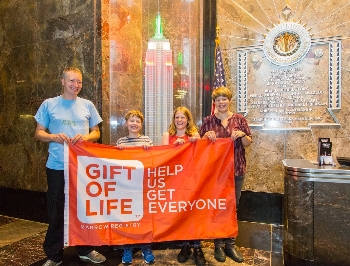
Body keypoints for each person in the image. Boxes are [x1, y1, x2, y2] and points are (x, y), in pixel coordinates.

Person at [34, 67, 106, 266]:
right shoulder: (49, 104)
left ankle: (85, 249)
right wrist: (52, 137)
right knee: (56, 209)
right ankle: (54, 254)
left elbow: (96, 133)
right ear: (63, 82)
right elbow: (38, 133)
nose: (76, 85)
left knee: (84, 209)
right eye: (72, 81)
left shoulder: (87, 105)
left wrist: (85, 137)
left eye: (79, 82)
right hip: (57, 166)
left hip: (82, 167)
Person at [200, 86, 252, 264]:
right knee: (217, 207)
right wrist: (206, 136)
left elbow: (248, 143)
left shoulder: (239, 119)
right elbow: (199, 146)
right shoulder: (208, 121)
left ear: (229, 100)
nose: (221, 102)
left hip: (236, 171)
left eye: (224, 99)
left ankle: (230, 244)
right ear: (214, 102)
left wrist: (242, 134)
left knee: (232, 208)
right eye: (218, 99)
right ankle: (218, 245)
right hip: (215, 173)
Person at [161, 106, 206, 266]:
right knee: (182, 212)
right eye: (177, 117)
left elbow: (202, 155)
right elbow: (163, 157)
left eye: (182, 117)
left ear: (188, 120)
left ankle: (198, 246)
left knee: (194, 212)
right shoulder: (168, 135)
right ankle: (185, 246)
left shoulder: (194, 134)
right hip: (175, 180)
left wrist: (197, 142)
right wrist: (175, 147)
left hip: (193, 179)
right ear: (174, 119)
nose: (180, 120)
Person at [116, 109, 155, 264]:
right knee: (128, 218)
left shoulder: (147, 140)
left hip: (143, 186)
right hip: (126, 186)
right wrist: (117, 153)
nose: (134, 123)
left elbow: (155, 161)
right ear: (126, 123)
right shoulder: (121, 142)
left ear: (141, 124)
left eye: (137, 121)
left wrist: (149, 151)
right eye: (131, 121)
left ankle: (146, 247)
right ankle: (127, 248)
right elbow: (116, 164)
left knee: (144, 217)